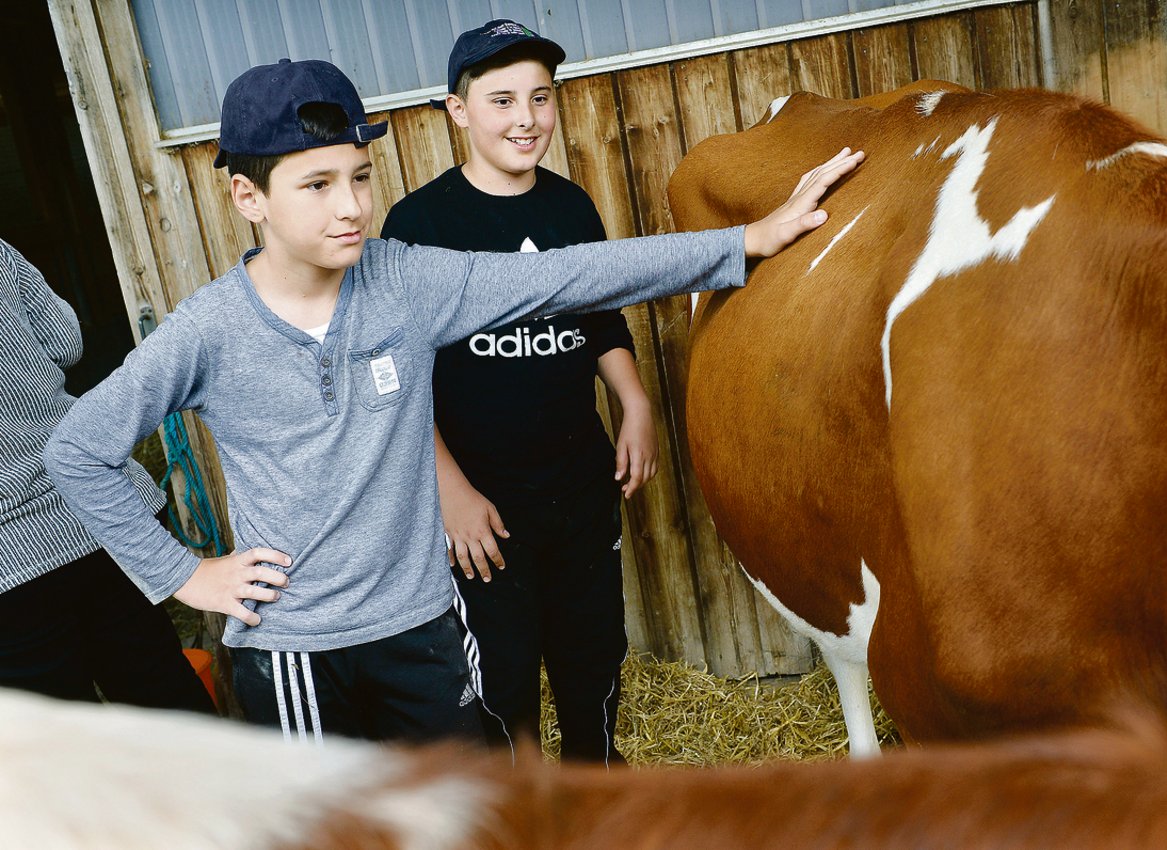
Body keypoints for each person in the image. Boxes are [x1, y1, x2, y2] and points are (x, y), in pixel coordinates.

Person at [44, 55, 863, 744]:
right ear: (247, 197)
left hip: (427, 629)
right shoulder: (208, 331)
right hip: (297, 652)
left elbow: (564, 275)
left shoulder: (404, 279)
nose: (351, 206)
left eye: (361, 178)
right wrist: (186, 575)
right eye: (317, 184)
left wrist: (745, 242)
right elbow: (78, 448)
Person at [381, 20, 653, 765]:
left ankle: (593, 784)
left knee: (592, 650)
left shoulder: (570, 208)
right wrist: (450, 491)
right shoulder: (418, 226)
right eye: (501, 100)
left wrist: (634, 401)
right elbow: (400, 380)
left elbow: (602, 318)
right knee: (501, 673)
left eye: (540, 97)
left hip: (579, 486)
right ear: (458, 111)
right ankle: (524, 809)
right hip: (484, 507)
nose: (525, 118)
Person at [0, 238, 214, 714]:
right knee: (158, 688)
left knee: (58, 742)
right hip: (90, 513)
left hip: (9, 571)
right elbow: (64, 341)